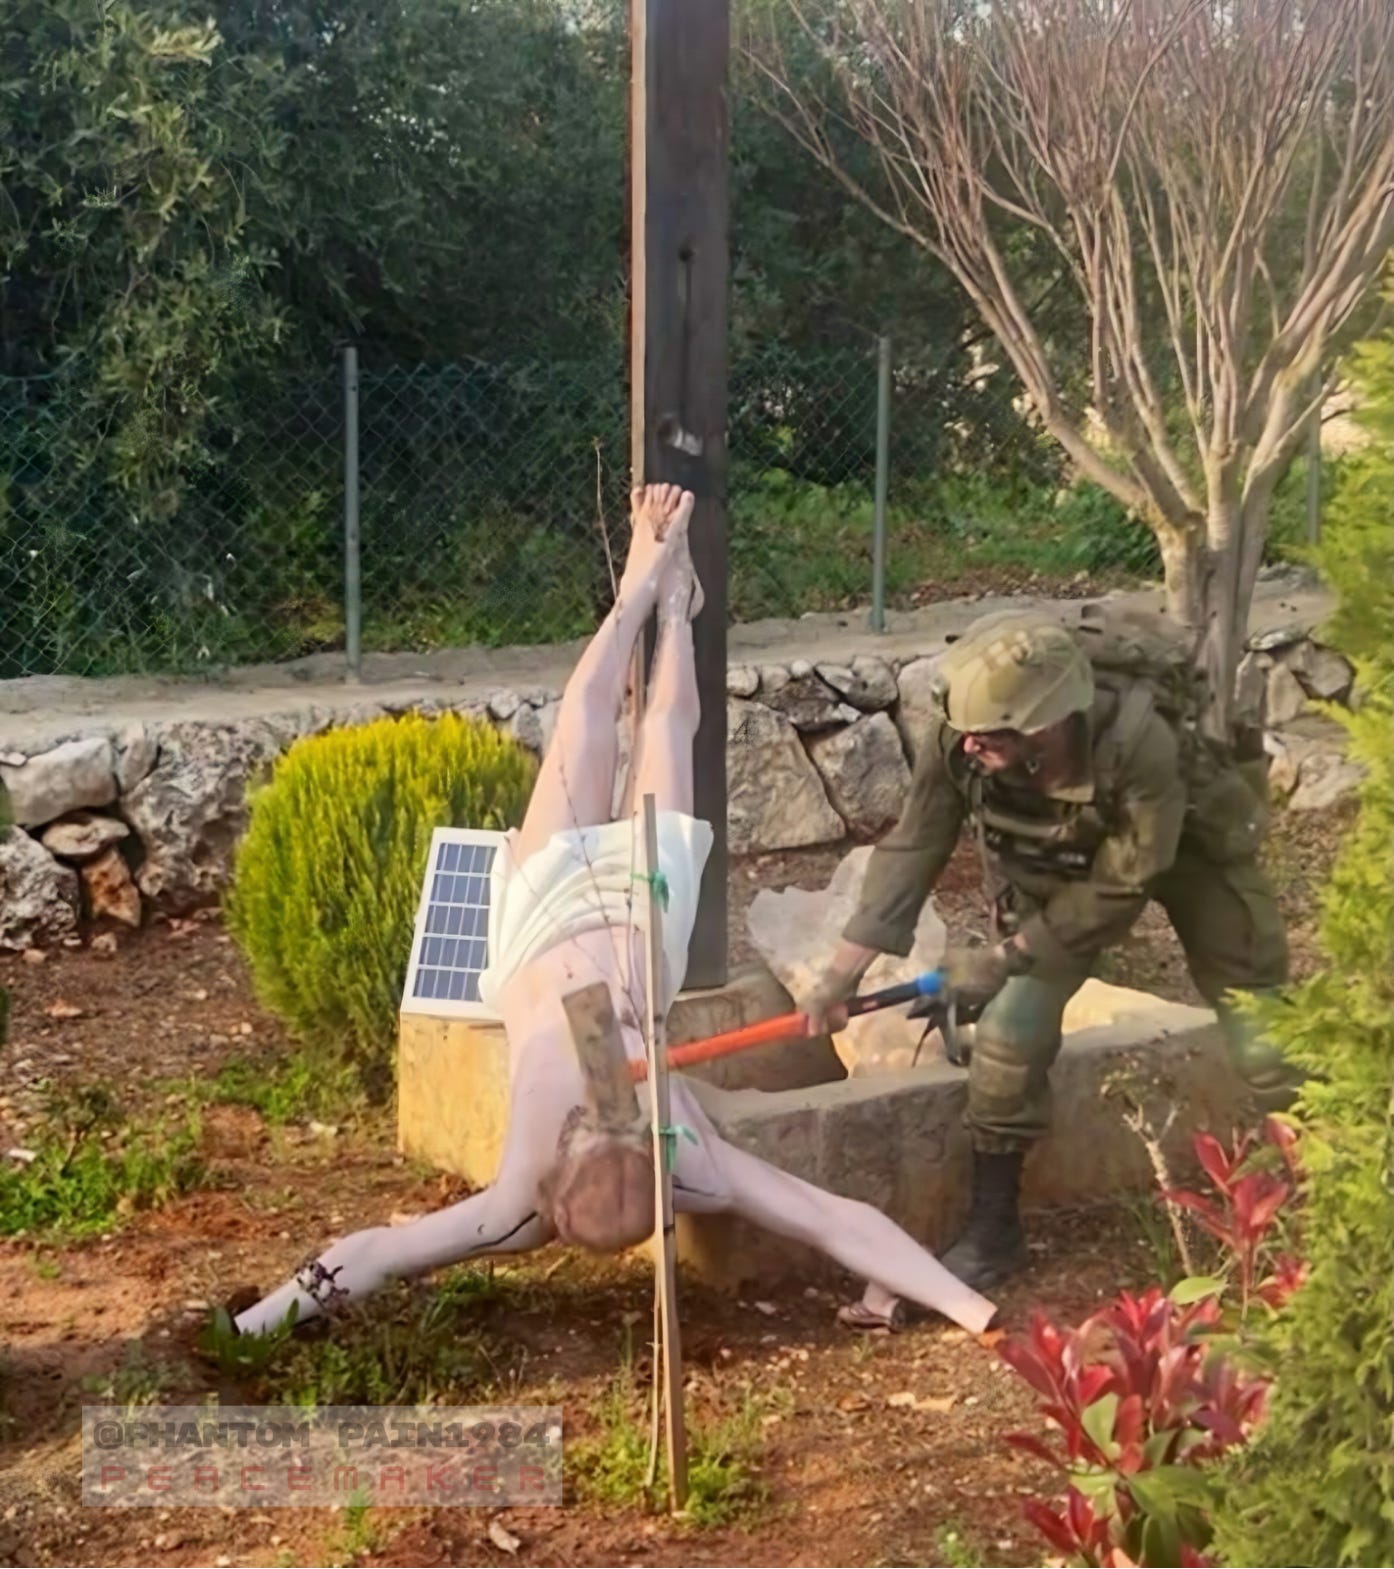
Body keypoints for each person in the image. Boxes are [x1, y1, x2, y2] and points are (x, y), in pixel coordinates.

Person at [232, 484, 997, 1340]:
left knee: (588, 722)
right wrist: (976, 1313)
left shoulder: (544, 1198)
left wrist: (254, 1324)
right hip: (637, 921)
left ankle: (649, 593)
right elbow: (837, 1220)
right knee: (661, 728)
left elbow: (376, 1252)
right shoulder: (680, 1169)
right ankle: (666, 605)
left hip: (540, 922)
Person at [804, 607, 1295, 1304]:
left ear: (1046, 723)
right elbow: (915, 844)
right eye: (967, 730)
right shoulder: (962, 736)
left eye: (990, 734)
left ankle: (1323, 1177)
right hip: (1061, 870)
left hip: (1184, 850)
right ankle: (994, 1230)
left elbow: (1125, 882)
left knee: (1259, 1022)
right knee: (1009, 1032)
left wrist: (1004, 955)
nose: (970, 744)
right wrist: (839, 976)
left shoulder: (1141, 742)